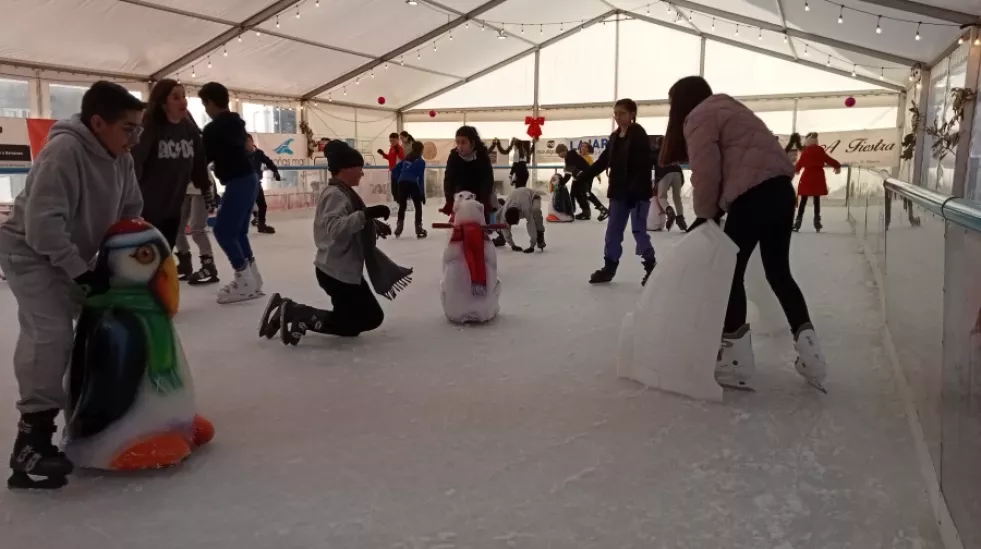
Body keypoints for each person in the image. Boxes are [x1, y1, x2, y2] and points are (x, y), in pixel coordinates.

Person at [0, 81, 146, 489]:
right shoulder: (64, 152)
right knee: (50, 333)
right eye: (128, 129)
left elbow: (131, 210)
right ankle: (32, 439)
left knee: (110, 323)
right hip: (29, 253)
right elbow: (42, 227)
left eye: (139, 129)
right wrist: (80, 273)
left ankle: (103, 413)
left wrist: (125, 258)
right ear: (98, 123)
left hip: (75, 253)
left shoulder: (121, 158)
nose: (134, 138)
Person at [660, 75, 826, 391]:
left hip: (753, 196)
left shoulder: (698, 116)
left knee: (729, 272)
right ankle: (812, 353)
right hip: (781, 191)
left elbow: (707, 172)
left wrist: (706, 214)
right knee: (779, 273)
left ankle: (736, 361)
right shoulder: (730, 107)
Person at [258, 141, 413, 346]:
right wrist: (365, 215)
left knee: (361, 320)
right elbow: (336, 228)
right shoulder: (335, 194)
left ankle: (293, 312)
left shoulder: (343, 192)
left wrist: (370, 223)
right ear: (347, 168)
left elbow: (348, 220)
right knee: (365, 319)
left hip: (342, 270)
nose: (362, 173)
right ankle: (298, 314)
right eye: (360, 168)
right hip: (336, 272)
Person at [130, 79, 214, 269]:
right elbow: (134, 161)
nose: (183, 101)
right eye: (176, 97)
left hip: (173, 206)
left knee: (163, 255)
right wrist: (128, 196)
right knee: (145, 260)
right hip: (148, 209)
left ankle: (159, 293)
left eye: (184, 96)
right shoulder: (150, 127)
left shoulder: (189, 128)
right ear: (162, 103)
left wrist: (205, 187)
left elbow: (199, 159)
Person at [576, 99, 656, 285]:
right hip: (619, 192)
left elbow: (642, 166)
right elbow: (604, 161)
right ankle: (609, 267)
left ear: (632, 115)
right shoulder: (614, 137)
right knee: (613, 232)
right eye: (616, 113)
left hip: (637, 194)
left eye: (622, 113)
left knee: (639, 231)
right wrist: (584, 176)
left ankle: (651, 266)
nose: (618, 117)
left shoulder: (639, 135)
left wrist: (635, 191)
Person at [199, 82, 262, 303]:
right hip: (249, 178)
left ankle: (244, 280)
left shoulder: (213, 129)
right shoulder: (236, 123)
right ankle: (253, 278)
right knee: (239, 232)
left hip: (239, 181)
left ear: (210, 102)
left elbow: (202, 160)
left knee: (223, 232)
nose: (205, 109)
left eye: (204, 104)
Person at [177, 167, 220, 285]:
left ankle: (209, 266)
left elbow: (202, 164)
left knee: (197, 228)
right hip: (183, 187)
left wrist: (209, 196)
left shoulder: (195, 148)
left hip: (201, 187)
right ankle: (185, 263)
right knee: (177, 227)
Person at [442, 125, 496, 220]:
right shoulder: (454, 156)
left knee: (486, 214)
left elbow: (487, 179)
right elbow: (449, 179)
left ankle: (492, 224)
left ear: (472, 143)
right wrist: (449, 201)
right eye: (457, 142)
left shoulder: (482, 156)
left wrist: (485, 201)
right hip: (461, 192)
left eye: (463, 142)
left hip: (479, 191)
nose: (460, 146)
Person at [794, 132, 840, 233]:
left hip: (807, 177)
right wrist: (837, 165)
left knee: (803, 200)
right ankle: (817, 221)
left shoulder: (805, 151)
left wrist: (795, 170)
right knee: (816, 199)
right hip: (818, 177)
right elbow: (828, 160)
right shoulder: (820, 150)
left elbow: (800, 163)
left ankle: (798, 221)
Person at [651, 135, 688, 232]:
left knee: (661, 197)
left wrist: (656, 182)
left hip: (664, 173)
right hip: (677, 173)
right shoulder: (672, 152)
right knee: (677, 197)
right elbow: (678, 166)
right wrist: (682, 179)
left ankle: (669, 210)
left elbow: (652, 167)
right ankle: (681, 220)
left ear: (657, 144)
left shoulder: (655, 153)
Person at [245, 134, 280, 234]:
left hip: (256, 184)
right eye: (244, 141)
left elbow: (268, 162)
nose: (246, 143)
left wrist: (275, 171)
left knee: (262, 205)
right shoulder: (240, 154)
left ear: (252, 141)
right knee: (244, 206)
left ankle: (261, 225)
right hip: (244, 185)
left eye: (248, 141)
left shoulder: (259, 153)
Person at [392, 140, 427, 238]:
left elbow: (394, 170)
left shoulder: (406, 159)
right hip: (412, 182)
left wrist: (399, 178)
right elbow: (421, 179)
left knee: (402, 206)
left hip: (401, 183)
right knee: (417, 205)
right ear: (421, 150)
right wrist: (422, 194)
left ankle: (399, 225)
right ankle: (418, 227)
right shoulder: (421, 162)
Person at [501, 186, 546, 253]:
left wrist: (532, 246)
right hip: (517, 195)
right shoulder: (504, 212)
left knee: (535, 210)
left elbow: (531, 224)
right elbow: (505, 228)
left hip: (533, 196)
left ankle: (540, 234)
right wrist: (512, 245)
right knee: (501, 220)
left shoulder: (526, 208)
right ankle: (501, 237)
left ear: (520, 215)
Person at [577, 141, 610, 221]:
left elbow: (594, 168)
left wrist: (598, 177)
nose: (583, 148)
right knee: (582, 194)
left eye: (585, 147)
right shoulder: (578, 157)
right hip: (581, 178)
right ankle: (586, 212)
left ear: (588, 149)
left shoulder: (589, 158)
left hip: (587, 178)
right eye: (582, 146)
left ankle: (602, 209)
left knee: (587, 193)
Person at [378, 132, 405, 200]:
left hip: (398, 172)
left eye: (392, 140)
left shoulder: (399, 149)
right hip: (393, 171)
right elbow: (390, 158)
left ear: (397, 140)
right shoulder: (392, 148)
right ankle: (397, 202)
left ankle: (400, 204)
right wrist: (383, 154)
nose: (391, 142)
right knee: (394, 190)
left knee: (397, 190)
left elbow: (402, 159)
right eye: (390, 140)